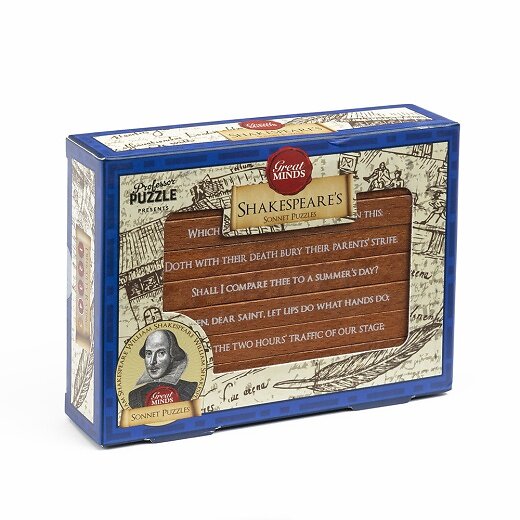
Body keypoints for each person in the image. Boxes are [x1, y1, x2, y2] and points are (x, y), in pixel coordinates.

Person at [129, 329, 197, 408]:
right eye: (149, 353)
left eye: (161, 353)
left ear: (172, 356)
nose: (152, 361)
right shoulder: (134, 395)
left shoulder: (189, 388)